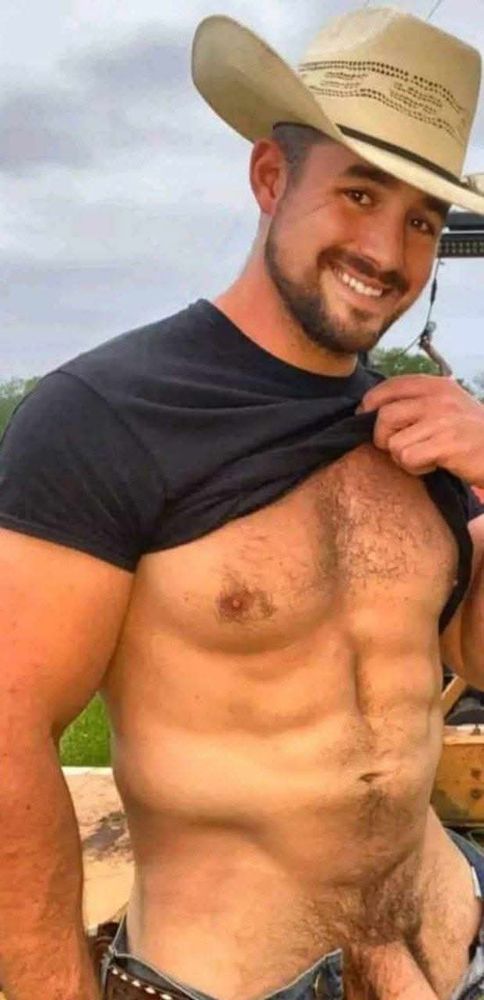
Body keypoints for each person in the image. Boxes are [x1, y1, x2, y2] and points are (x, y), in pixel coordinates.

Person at [1, 7, 484, 1000]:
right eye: (358, 193)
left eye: (422, 221)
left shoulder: (413, 428)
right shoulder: (110, 418)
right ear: (270, 178)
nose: (387, 251)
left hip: (451, 953)